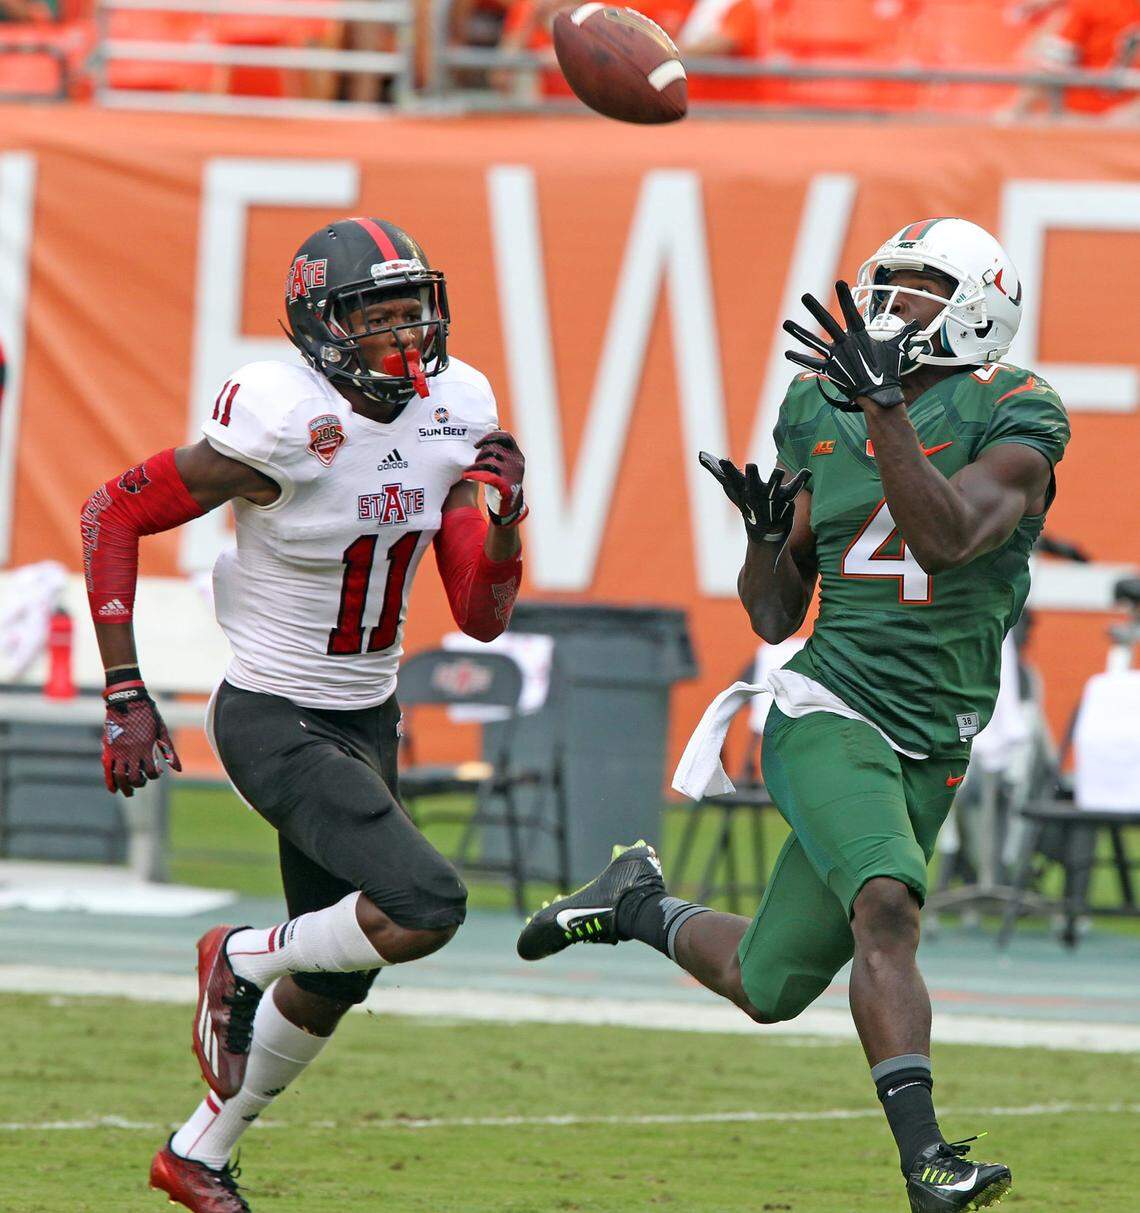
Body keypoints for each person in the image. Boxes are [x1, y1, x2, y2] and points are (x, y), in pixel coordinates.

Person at [516, 217, 1069, 1212]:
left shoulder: (1017, 408)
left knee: (769, 985)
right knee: (887, 904)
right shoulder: (821, 405)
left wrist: (889, 411)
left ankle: (634, 900)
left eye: (923, 292)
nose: (896, 309)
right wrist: (762, 540)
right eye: (888, 286)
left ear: (982, 302)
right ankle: (929, 1163)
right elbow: (777, 611)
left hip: (935, 731)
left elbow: (946, 537)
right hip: (829, 703)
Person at [80, 217, 527, 1212]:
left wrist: (503, 526)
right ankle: (232, 957)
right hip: (276, 711)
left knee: (341, 966)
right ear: (321, 325)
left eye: (413, 311)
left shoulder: (459, 404)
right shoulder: (281, 421)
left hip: (370, 713)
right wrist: (125, 692)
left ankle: (196, 1153)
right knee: (427, 905)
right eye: (376, 317)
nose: (403, 337)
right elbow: (112, 511)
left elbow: (480, 617)